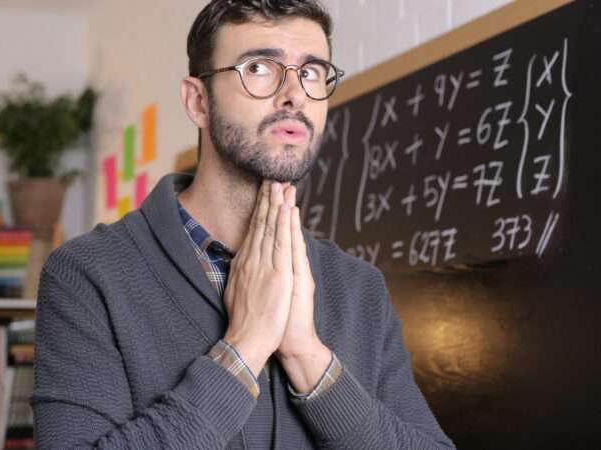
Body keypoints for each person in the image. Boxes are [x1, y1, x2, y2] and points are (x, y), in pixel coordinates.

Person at [31, 1, 455, 448]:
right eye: (259, 68)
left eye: (310, 73)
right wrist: (245, 347)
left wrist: (306, 356)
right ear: (198, 102)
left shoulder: (359, 288)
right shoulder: (87, 274)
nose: (293, 95)